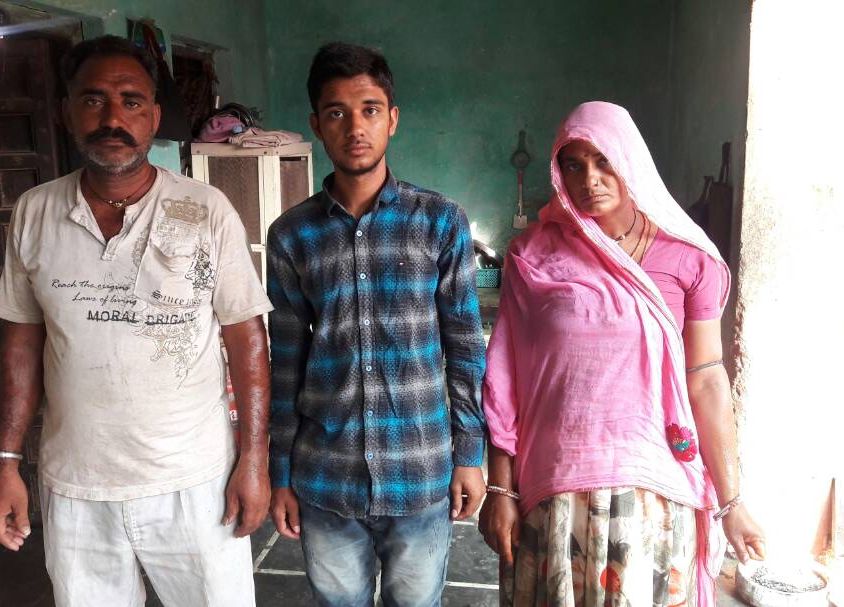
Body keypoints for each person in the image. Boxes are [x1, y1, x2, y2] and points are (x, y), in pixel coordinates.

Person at [0, 36, 273, 606]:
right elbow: (22, 340)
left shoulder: (206, 210)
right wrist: (7, 460)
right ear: (66, 111)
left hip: (194, 481)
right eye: (93, 100)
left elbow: (246, 336)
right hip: (77, 487)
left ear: (153, 115)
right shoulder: (35, 212)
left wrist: (254, 458)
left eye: (130, 101)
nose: (112, 118)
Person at [478, 101, 765, 607]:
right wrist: (500, 490)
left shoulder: (689, 258)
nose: (589, 179)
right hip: (556, 486)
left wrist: (732, 502)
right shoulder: (532, 256)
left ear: (630, 159)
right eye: (573, 165)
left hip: (654, 492)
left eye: (603, 160)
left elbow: (706, 378)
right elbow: (506, 381)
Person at [266, 42, 487, 606]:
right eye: (336, 112)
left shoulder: (439, 222)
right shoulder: (292, 235)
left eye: (369, 109)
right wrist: (281, 472)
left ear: (392, 118)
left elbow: (465, 348)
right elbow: (285, 363)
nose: (354, 127)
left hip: (420, 470)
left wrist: (469, 454)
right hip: (326, 475)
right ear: (317, 124)